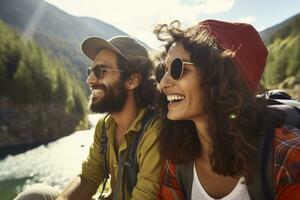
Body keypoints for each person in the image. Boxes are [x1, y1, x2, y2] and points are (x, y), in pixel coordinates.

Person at [153, 20, 300, 200]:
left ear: (221, 77)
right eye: (163, 71)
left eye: (177, 68)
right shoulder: (178, 158)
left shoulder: (287, 157)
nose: (163, 83)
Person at [14, 36, 163, 200]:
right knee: (34, 195)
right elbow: (89, 177)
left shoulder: (154, 132)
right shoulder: (105, 126)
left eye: (100, 71)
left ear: (132, 80)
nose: (90, 80)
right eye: (90, 71)